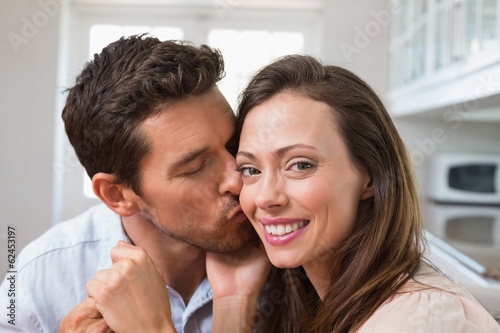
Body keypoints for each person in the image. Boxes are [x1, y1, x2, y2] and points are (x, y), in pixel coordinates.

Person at [0, 34, 271, 333]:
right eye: (195, 167)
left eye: (233, 143)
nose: (237, 179)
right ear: (117, 195)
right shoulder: (39, 278)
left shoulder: (287, 253)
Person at [233, 54, 500, 332]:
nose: (265, 197)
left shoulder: (416, 320)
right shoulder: (310, 298)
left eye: (300, 165)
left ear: (370, 176)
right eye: (251, 169)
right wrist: (234, 299)